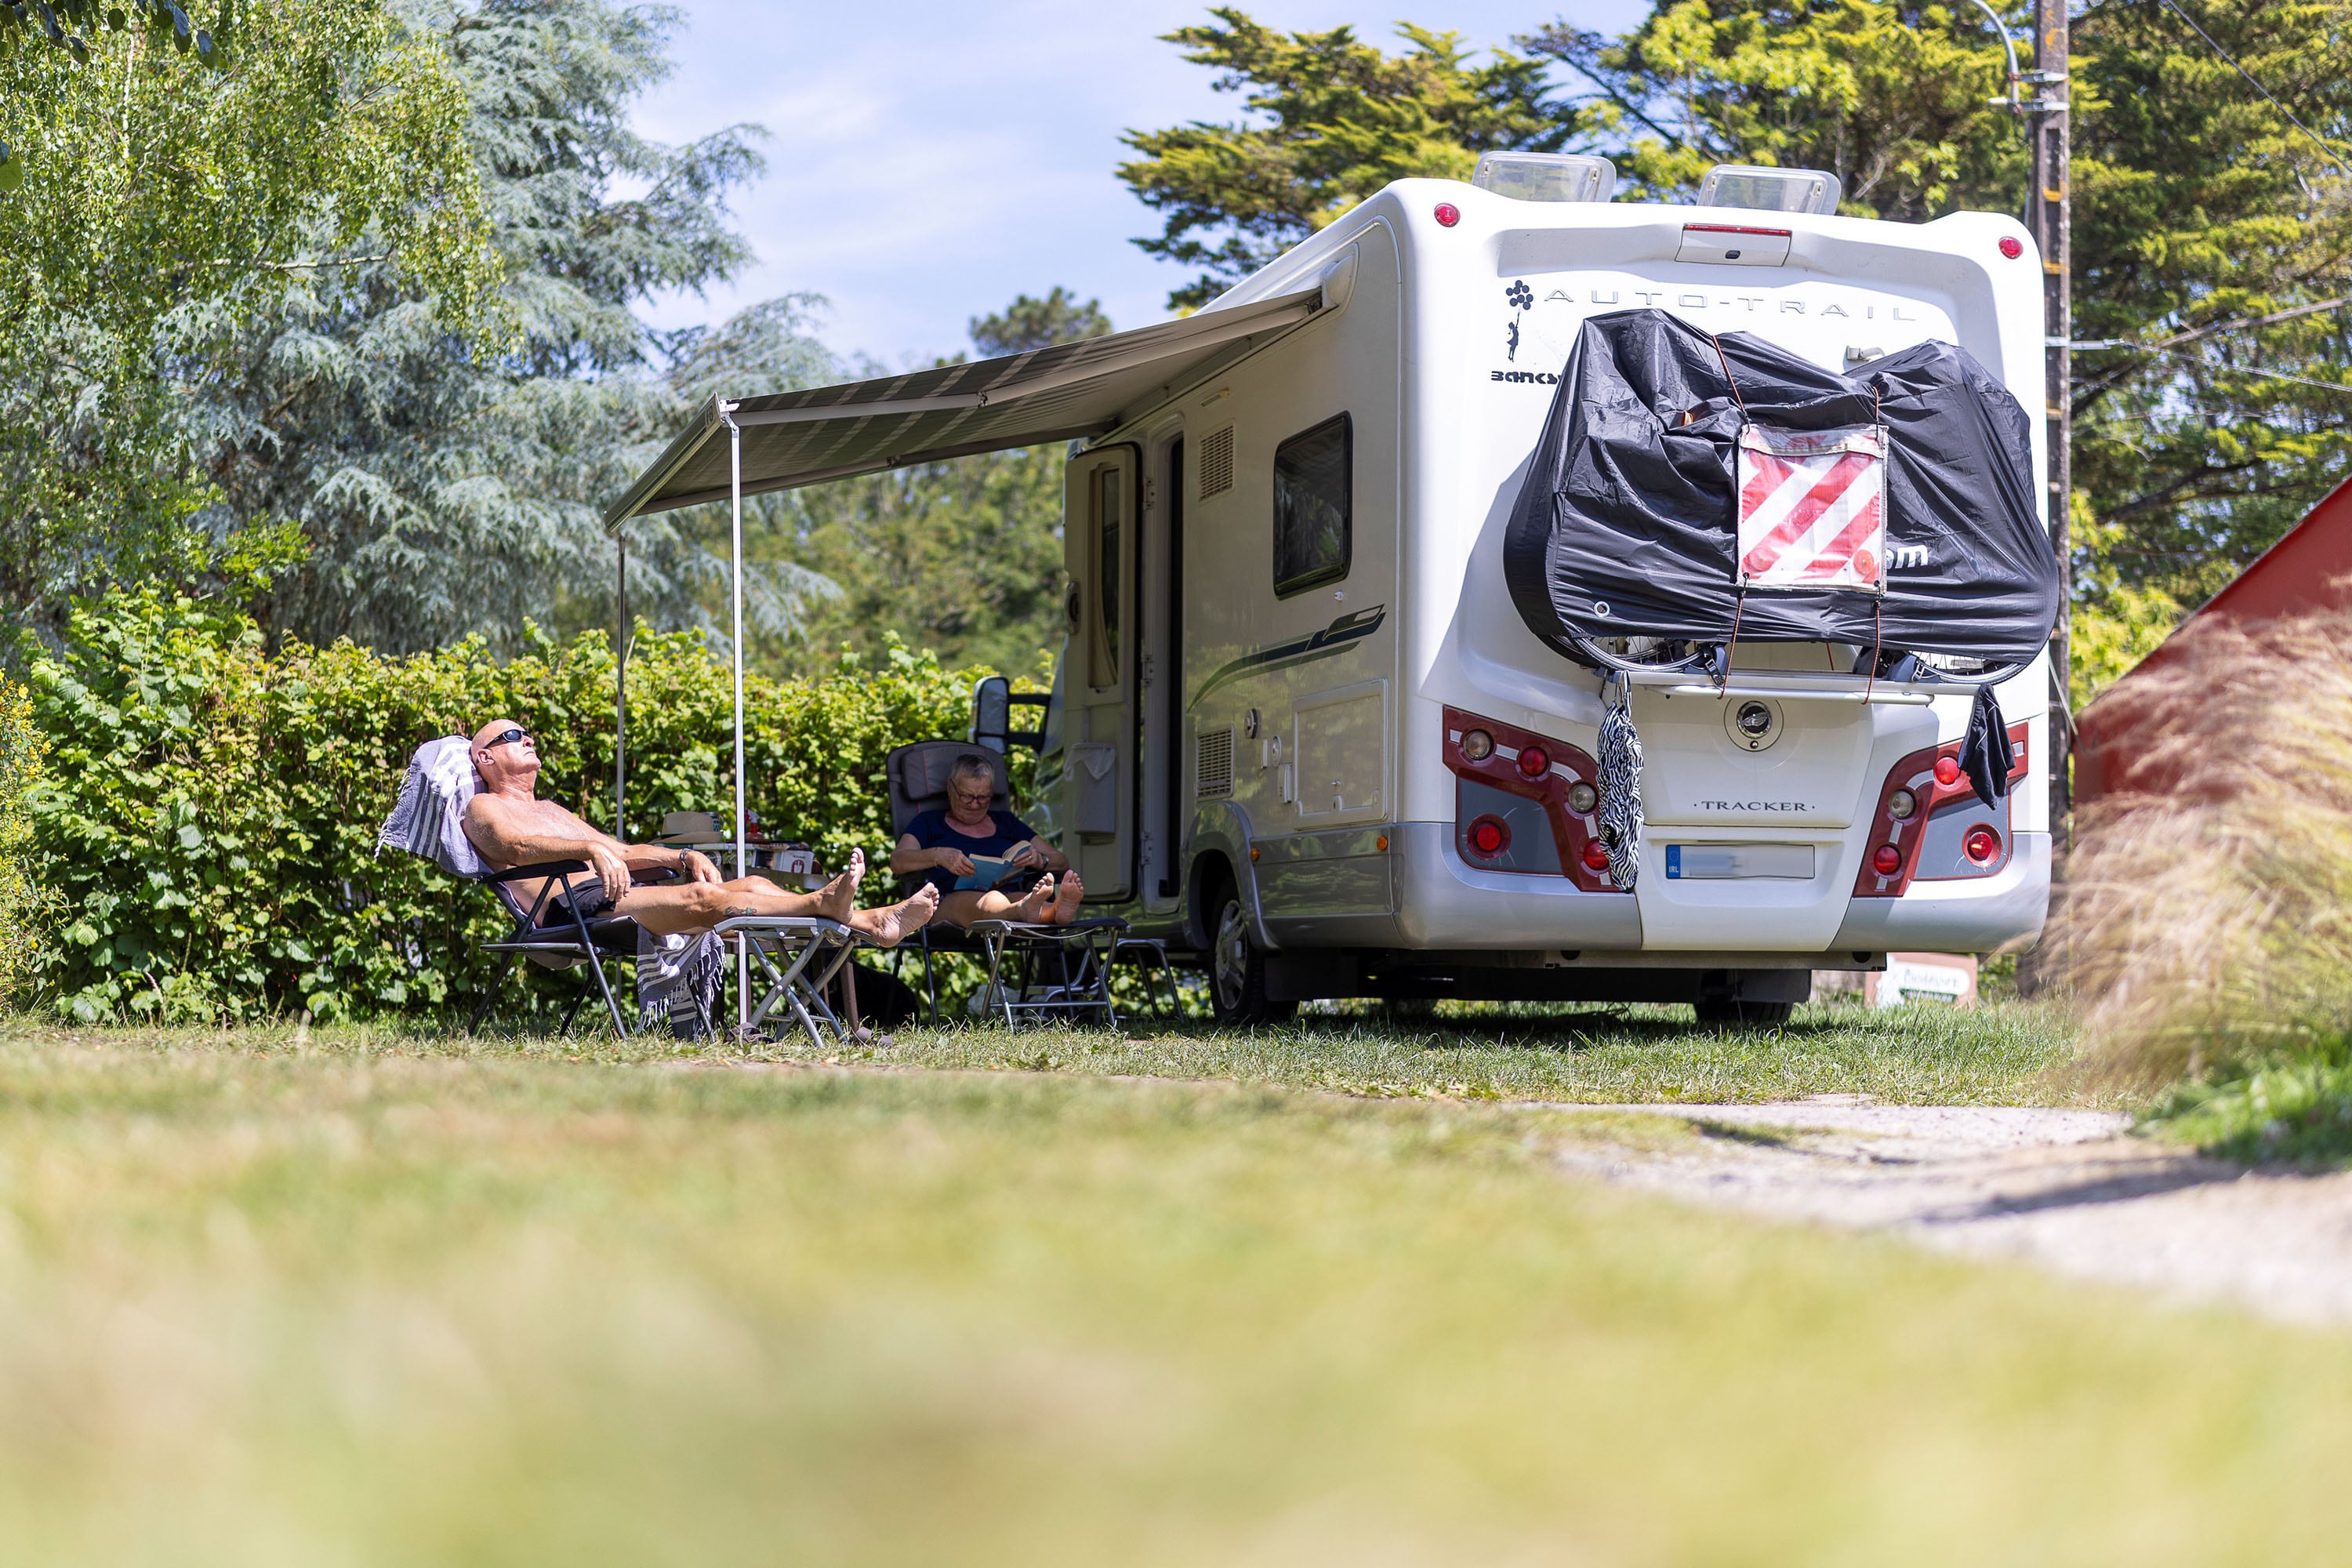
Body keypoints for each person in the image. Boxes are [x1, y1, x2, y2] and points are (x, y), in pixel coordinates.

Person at [460, 718, 938, 945]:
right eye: (511, 737)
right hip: (569, 905)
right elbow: (513, 847)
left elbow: (623, 850)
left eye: (528, 735)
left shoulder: (552, 808)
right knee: (700, 902)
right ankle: (824, 906)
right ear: (485, 758)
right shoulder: (482, 806)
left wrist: (681, 858)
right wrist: (589, 848)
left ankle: (872, 922)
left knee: (749, 885)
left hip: (614, 893)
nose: (527, 739)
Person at [890, 752, 1084, 926]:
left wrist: (1040, 860)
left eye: (983, 797)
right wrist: (937, 855)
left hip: (1009, 895)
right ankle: (1027, 910)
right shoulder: (929, 822)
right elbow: (898, 861)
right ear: (950, 788)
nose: (975, 805)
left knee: (1023, 899)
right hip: (949, 901)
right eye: (967, 796)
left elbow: (1061, 861)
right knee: (991, 901)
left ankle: (1057, 912)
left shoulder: (1006, 823)